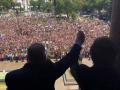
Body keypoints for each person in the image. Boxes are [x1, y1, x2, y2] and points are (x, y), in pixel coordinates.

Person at [5, 31, 85, 90]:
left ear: (27, 57)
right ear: (44, 58)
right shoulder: (50, 72)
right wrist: (78, 43)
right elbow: (68, 59)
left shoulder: (11, 77)